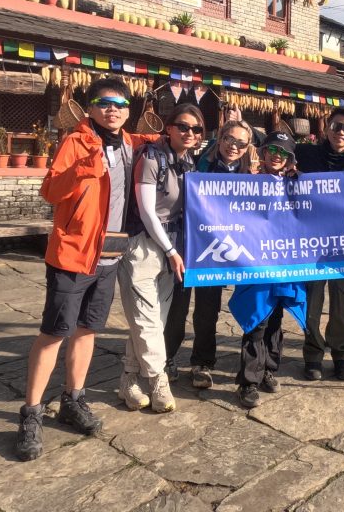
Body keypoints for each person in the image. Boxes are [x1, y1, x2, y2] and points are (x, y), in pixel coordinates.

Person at [16, 78, 137, 461]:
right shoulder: (76, 142)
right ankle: (31, 413)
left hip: (110, 257)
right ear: (91, 108)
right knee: (53, 333)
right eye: (103, 103)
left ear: (128, 110)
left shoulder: (132, 144)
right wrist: (85, 167)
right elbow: (50, 192)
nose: (112, 109)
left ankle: (73, 399)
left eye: (119, 103)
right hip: (73, 255)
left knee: (88, 332)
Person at [117, 103, 205, 413]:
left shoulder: (189, 163)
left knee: (151, 321)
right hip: (144, 245)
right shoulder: (151, 157)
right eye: (183, 126)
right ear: (168, 127)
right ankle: (157, 380)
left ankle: (129, 379)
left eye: (196, 129)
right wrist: (169, 250)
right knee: (146, 318)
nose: (189, 133)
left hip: (174, 245)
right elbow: (146, 210)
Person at [163, 118, 254, 389]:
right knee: (177, 309)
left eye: (241, 143)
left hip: (218, 252)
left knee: (207, 310)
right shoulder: (199, 162)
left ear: (248, 147)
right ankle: (166, 358)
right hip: (189, 245)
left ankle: (202, 362)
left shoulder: (248, 175)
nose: (233, 146)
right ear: (220, 138)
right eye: (229, 139)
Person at [230, 130, 306, 408]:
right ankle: (248, 381)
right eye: (273, 150)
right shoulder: (248, 184)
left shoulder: (298, 185)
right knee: (257, 321)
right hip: (256, 263)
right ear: (262, 153)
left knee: (276, 320)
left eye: (284, 153)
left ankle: (268, 370)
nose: (277, 156)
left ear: (290, 159)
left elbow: (318, 212)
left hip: (285, 263)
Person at [295, 107, 344, 381]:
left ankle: (341, 356)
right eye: (338, 127)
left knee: (342, 305)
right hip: (310, 244)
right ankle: (313, 355)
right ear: (327, 127)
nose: (342, 133)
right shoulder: (304, 155)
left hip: (342, 246)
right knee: (311, 303)